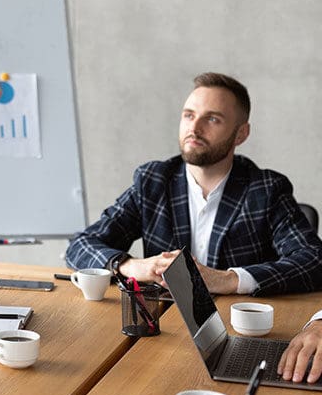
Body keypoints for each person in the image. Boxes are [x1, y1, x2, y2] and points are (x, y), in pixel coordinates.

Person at [66, 72, 322, 295]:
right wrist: (131, 265)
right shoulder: (153, 180)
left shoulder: (266, 189)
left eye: (212, 119)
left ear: (241, 133)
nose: (195, 128)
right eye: (189, 115)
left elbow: (314, 261)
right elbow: (80, 245)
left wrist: (227, 280)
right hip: (165, 323)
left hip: (236, 326)